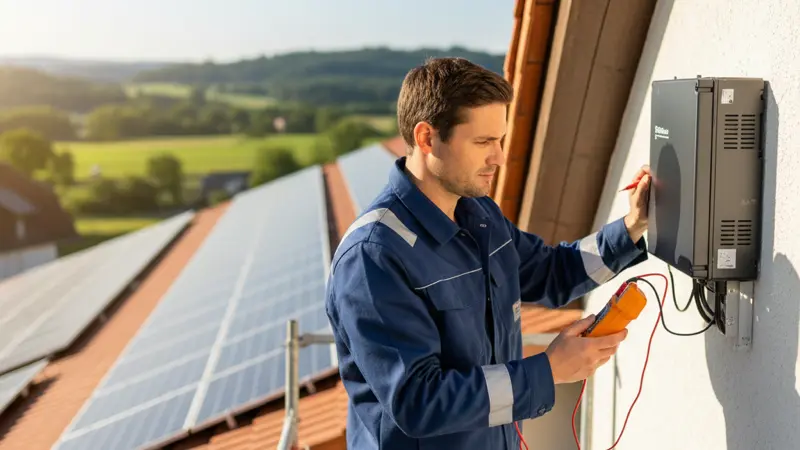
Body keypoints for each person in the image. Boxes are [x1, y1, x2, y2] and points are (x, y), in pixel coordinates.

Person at [324, 57, 651, 450]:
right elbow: (418, 402)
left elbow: (552, 272)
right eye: (483, 142)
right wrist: (548, 371)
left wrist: (632, 226)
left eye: (500, 140)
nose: (498, 157)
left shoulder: (480, 215)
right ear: (427, 138)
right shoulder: (373, 256)